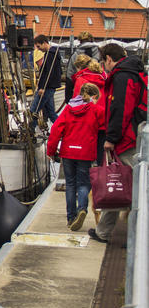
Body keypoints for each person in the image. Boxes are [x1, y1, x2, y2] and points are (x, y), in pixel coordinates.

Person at [89, 43, 147, 244]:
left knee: (129, 185)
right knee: (116, 182)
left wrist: (111, 138)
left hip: (126, 139)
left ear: (108, 59)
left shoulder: (122, 77)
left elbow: (120, 109)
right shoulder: (133, 73)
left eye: (102, 61)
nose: (103, 66)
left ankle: (134, 237)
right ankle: (103, 231)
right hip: (132, 134)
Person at [47, 82, 105, 231]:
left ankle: (71, 218)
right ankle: (82, 209)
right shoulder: (96, 110)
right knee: (84, 184)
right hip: (85, 153)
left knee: (71, 185)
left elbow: (55, 130)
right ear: (94, 96)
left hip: (68, 152)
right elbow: (105, 128)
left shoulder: (68, 109)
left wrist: (51, 151)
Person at [30, 34, 62, 128]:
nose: (39, 49)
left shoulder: (50, 54)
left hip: (47, 88)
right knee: (51, 112)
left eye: (39, 46)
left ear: (44, 43)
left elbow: (48, 73)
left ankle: (30, 133)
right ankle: (62, 130)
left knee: (34, 110)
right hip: (50, 87)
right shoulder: (53, 53)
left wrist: (42, 87)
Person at [65, 31, 100, 102]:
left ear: (80, 41)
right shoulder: (100, 53)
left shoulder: (75, 55)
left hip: (80, 91)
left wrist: (68, 97)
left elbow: (70, 75)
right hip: (98, 92)